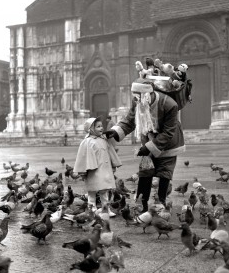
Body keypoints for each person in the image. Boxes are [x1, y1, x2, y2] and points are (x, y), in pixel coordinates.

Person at [104, 78, 185, 212]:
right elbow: (130, 120)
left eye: (138, 96)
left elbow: (168, 132)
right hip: (148, 140)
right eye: (134, 96)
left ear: (148, 94)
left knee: (164, 173)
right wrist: (114, 131)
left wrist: (148, 147)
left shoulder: (169, 104)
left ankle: (161, 203)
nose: (136, 99)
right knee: (145, 172)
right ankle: (142, 204)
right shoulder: (138, 101)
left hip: (169, 143)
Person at [73, 116, 122, 217]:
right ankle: (92, 209)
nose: (101, 128)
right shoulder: (87, 142)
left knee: (104, 191)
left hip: (104, 170)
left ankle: (106, 209)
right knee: (92, 192)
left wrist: (113, 164)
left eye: (102, 126)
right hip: (93, 170)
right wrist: (83, 171)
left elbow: (110, 152)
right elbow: (83, 158)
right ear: (91, 129)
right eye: (98, 126)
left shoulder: (104, 140)